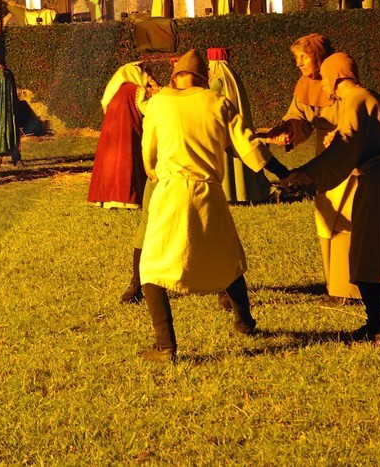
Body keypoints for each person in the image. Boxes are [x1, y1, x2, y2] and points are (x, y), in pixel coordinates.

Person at [136, 50, 290, 361]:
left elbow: (148, 154)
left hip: (170, 192)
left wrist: (154, 169)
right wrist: (285, 174)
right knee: (227, 259)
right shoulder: (217, 102)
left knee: (152, 267)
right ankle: (245, 323)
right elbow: (248, 147)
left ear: (175, 77)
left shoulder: (158, 103)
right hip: (209, 192)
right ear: (204, 78)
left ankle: (165, 346)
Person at [278, 54, 380, 342]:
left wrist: (304, 176)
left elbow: (344, 149)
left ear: (335, 76)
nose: (322, 87)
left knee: (366, 254)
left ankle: (377, 328)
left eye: (324, 79)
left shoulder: (354, 100)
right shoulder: (373, 97)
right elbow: (359, 139)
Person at [263, 34, 360, 302]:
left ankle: (352, 288)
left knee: (346, 216)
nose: (299, 64)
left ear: (318, 55)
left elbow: (355, 115)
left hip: (348, 151)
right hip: (323, 151)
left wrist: (341, 133)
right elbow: (300, 117)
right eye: (296, 59)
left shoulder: (342, 80)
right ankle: (335, 285)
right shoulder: (306, 84)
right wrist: (287, 131)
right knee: (326, 217)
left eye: (303, 57)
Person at [89, 63, 155, 210]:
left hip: (111, 133)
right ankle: (125, 199)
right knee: (126, 162)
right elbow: (147, 110)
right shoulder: (137, 90)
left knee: (109, 164)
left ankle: (105, 199)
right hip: (128, 132)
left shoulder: (115, 92)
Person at [209, 48, 271, 205]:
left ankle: (231, 194)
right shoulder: (232, 77)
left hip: (225, 128)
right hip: (238, 127)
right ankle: (247, 192)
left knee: (229, 161)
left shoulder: (218, 81)